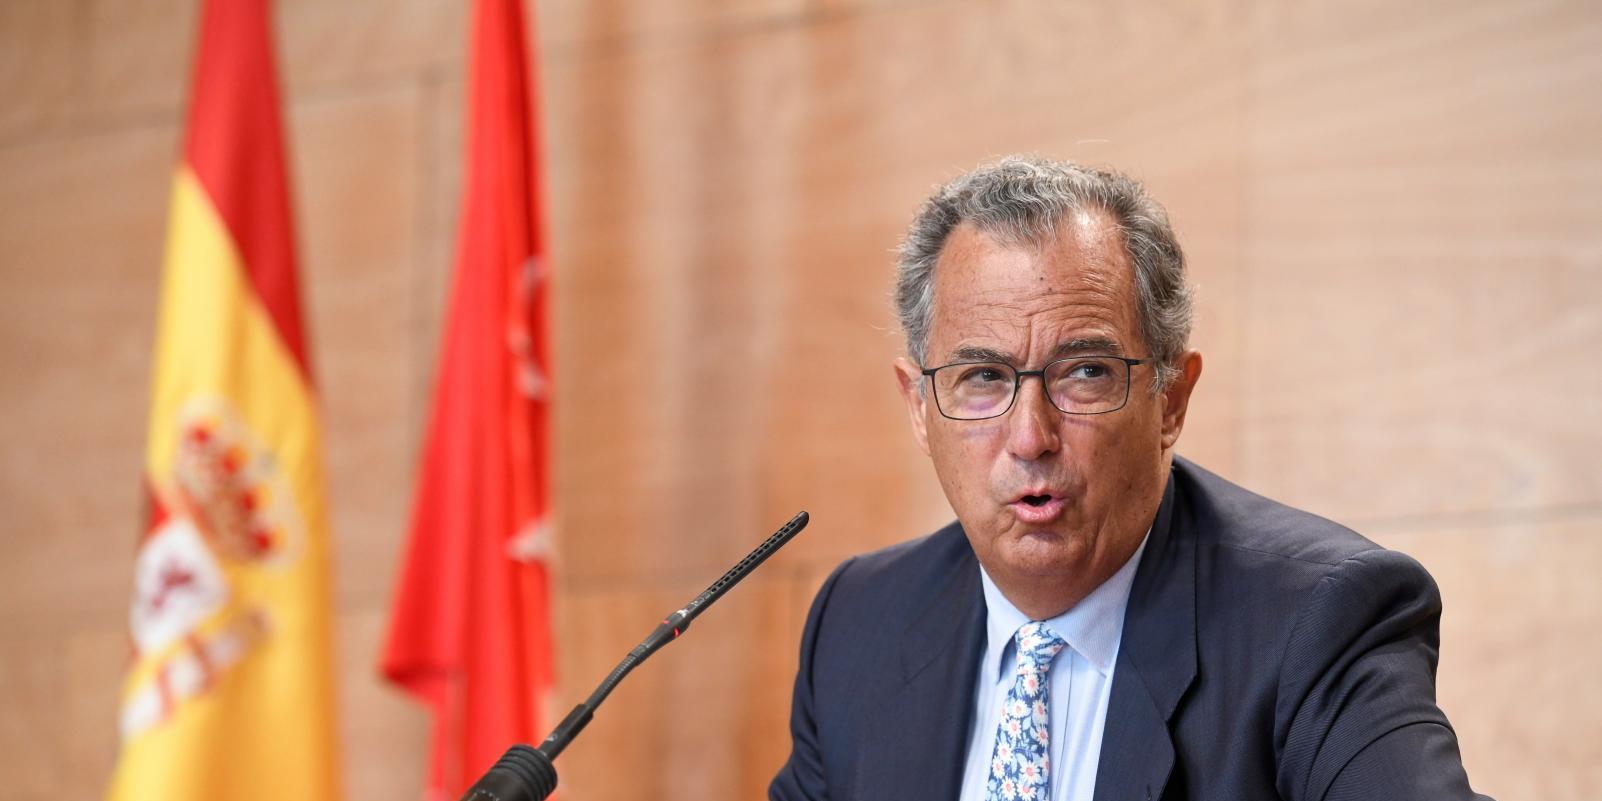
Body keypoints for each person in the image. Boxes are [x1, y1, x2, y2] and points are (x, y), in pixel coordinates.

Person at [769, 156, 1491, 801]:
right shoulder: (860, 624)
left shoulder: (1315, 621)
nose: (1030, 437)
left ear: (1171, 399)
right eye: (983, 377)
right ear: (920, 408)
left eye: (1085, 372)